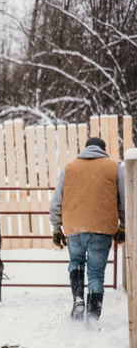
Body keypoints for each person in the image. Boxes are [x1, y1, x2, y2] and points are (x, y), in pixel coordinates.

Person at [50, 136, 125, 321]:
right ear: (103, 149)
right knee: (96, 273)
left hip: (74, 227)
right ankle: (93, 315)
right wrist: (123, 226)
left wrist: (56, 227)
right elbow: (125, 200)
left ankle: (78, 299)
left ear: (85, 149)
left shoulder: (69, 168)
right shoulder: (115, 167)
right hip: (102, 229)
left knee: (76, 262)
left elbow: (57, 201)